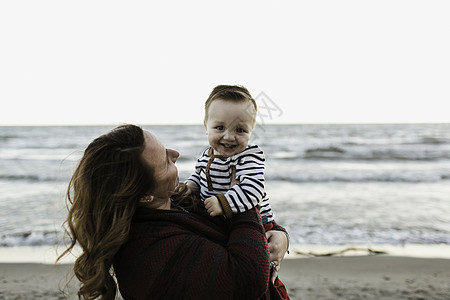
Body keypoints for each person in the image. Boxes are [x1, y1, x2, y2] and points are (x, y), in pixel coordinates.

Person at [58, 124, 289, 299]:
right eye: (165, 161)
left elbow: (240, 229)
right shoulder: (149, 252)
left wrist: (280, 235)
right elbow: (248, 279)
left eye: (165, 146)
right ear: (143, 195)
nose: (175, 153)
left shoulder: (177, 201)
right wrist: (240, 201)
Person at [187, 85, 276, 225]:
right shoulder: (206, 154)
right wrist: (189, 187)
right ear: (206, 127)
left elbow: (253, 189)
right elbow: (199, 175)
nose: (229, 137)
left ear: (251, 130)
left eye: (240, 130)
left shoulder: (248, 156)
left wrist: (224, 203)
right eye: (220, 128)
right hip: (218, 217)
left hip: (257, 222)